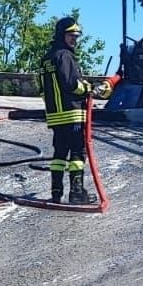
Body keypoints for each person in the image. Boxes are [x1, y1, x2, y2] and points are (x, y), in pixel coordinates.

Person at [40, 17, 110, 204]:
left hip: (56, 116)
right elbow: (71, 83)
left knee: (59, 154)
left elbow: (43, 88)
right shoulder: (65, 56)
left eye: (76, 36)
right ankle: (77, 193)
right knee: (78, 154)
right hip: (72, 114)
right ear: (62, 35)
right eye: (71, 36)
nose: (75, 40)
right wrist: (88, 89)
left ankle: (56, 193)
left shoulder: (47, 58)